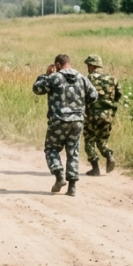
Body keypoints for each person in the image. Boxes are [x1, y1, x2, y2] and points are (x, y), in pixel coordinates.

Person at [32, 54, 98, 196]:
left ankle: (59, 176)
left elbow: (37, 89)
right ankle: (72, 187)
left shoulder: (55, 77)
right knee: (73, 152)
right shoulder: (82, 78)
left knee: (51, 149)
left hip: (59, 119)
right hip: (78, 120)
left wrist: (45, 76)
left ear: (58, 64)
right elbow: (93, 96)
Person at [82, 55, 122, 176]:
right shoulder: (112, 79)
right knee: (102, 140)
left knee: (89, 140)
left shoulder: (88, 79)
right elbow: (119, 94)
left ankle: (95, 168)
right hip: (108, 115)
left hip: (92, 115)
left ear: (92, 66)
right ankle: (109, 155)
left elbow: (82, 96)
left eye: (88, 66)